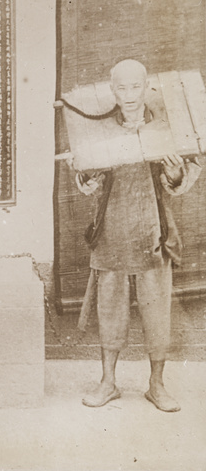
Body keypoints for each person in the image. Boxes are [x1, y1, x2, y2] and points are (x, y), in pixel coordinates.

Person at [74, 59, 201, 412]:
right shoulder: (97, 128)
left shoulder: (169, 127)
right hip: (112, 231)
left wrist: (174, 173)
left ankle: (156, 385)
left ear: (147, 88)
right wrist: (90, 177)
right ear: (111, 90)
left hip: (153, 231)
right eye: (121, 88)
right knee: (110, 310)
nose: (129, 95)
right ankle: (108, 382)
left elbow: (180, 183)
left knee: (156, 311)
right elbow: (84, 180)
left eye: (135, 87)